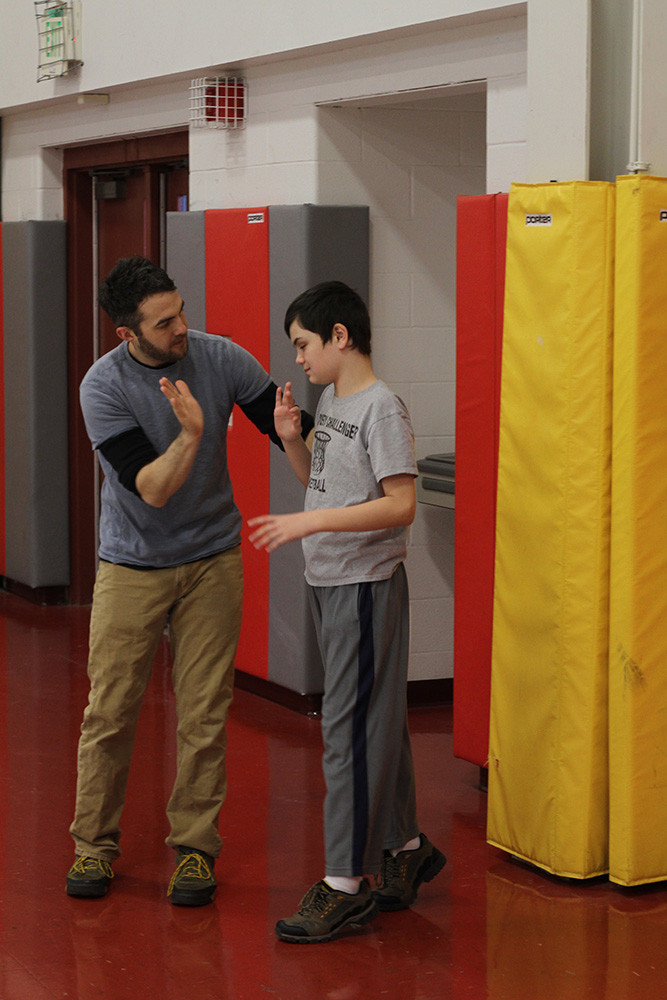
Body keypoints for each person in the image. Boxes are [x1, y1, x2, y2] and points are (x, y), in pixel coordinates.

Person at [66, 255, 313, 906]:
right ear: (128, 333)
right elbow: (149, 488)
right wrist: (193, 433)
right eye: (165, 320)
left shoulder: (221, 359)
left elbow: (292, 436)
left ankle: (196, 851)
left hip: (210, 559)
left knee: (204, 713)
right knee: (110, 712)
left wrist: (301, 441)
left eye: (180, 310)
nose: (181, 326)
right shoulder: (104, 386)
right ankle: (93, 846)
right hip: (131, 563)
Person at [248, 280, 446, 943]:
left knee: (348, 731)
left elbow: (398, 504)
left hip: (363, 586)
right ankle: (405, 846)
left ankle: (345, 882)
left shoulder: (381, 409)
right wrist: (289, 440)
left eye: (303, 344)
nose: (298, 359)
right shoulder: (331, 400)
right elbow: (322, 484)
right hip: (330, 581)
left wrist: (311, 527)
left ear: (339, 336)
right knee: (376, 720)